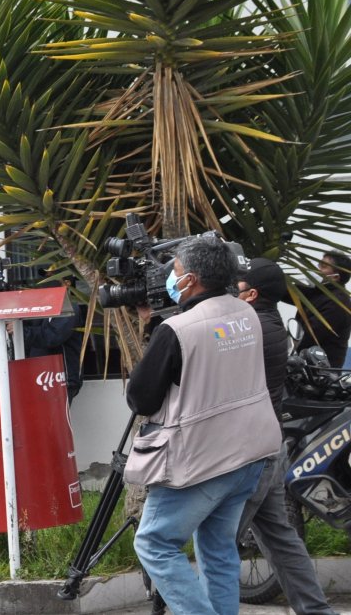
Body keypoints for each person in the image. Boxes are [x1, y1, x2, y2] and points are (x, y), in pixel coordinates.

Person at [124, 236, 281, 615]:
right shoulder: (248, 314)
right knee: (217, 547)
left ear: (191, 279)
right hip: (251, 454)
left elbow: (141, 398)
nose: (170, 278)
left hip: (201, 460)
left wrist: (156, 332)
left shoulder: (177, 330)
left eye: (174, 271)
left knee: (153, 543)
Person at [235, 258, 337, 615]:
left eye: (239, 285)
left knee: (217, 540)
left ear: (251, 294)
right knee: (278, 534)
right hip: (269, 443)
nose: (234, 290)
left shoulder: (252, 329)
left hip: (250, 449)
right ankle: (316, 609)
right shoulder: (268, 323)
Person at [20, 276, 86, 402]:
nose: (47, 284)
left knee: (55, 420)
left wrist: (21, 331)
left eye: (53, 278)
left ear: (67, 283)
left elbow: (52, 336)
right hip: (40, 376)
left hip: (61, 377)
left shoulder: (69, 307)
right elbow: (32, 330)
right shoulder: (44, 307)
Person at [295, 250, 351, 367]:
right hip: (305, 365)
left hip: (320, 374)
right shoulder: (319, 291)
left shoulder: (338, 303)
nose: (317, 269)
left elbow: (308, 336)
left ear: (335, 277)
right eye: (319, 265)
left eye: (323, 267)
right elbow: (285, 292)